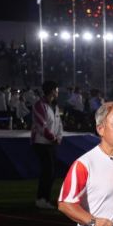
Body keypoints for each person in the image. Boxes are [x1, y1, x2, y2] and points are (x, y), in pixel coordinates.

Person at [31, 81, 64, 209]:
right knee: (48, 171)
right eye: (56, 90)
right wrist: (52, 137)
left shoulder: (54, 106)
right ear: (51, 91)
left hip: (51, 143)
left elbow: (59, 124)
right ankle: (41, 199)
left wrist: (58, 137)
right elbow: (41, 125)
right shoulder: (40, 105)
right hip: (41, 143)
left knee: (51, 171)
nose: (57, 92)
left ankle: (44, 199)